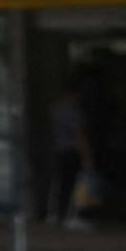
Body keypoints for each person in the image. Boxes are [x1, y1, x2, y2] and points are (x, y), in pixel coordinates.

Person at [48, 82, 95, 231]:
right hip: (71, 152)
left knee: (59, 184)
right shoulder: (74, 112)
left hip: (58, 150)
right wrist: (87, 157)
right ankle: (70, 217)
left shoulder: (54, 109)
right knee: (73, 185)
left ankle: (55, 215)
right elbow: (79, 136)